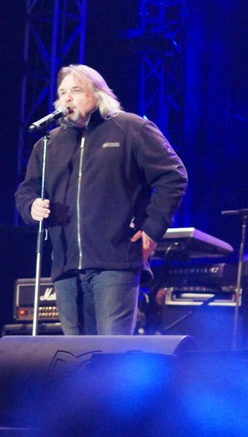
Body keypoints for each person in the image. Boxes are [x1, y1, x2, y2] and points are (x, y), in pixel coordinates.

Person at [15, 64, 188, 335]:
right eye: (62, 92)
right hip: (66, 267)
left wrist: (152, 229)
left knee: (110, 351)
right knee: (76, 354)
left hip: (116, 262)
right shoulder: (48, 144)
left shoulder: (131, 128)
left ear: (98, 94)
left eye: (76, 90)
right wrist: (31, 206)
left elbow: (173, 176)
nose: (67, 98)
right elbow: (27, 190)